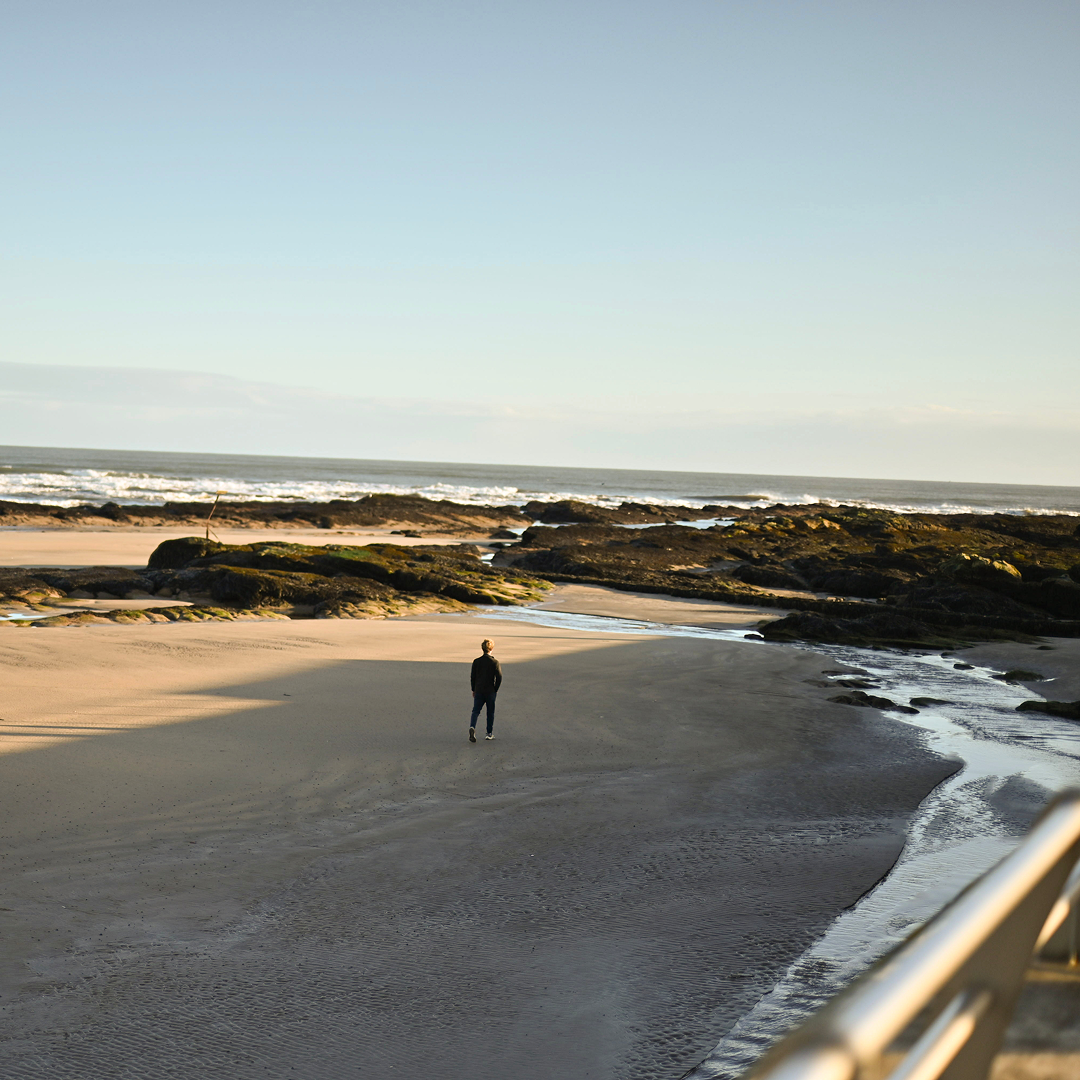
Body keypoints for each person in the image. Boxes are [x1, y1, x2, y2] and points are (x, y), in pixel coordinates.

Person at [469, 638, 502, 742]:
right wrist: (495, 689)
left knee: (476, 711)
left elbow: (473, 677)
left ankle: (472, 726)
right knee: (490, 712)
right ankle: (489, 733)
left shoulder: (476, 661)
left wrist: (473, 689)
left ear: (482, 648)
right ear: (491, 648)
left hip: (479, 689)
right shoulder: (495, 662)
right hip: (490, 690)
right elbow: (499, 677)